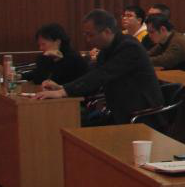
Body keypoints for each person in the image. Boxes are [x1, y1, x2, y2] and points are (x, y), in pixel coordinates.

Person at [34, 9, 163, 124]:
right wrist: (62, 87)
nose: (87, 39)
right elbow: (92, 74)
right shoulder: (107, 49)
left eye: (90, 34)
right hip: (118, 110)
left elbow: (101, 75)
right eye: (85, 34)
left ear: (107, 32)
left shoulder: (129, 47)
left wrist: (62, 92)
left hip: (140, 115)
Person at [21, 23, 88, 86]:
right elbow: (38, 78)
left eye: (43, 44)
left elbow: (60, 82)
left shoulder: (74, 58)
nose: (40, 48)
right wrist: (19, 76)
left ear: (57, 42)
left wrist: (57, 60)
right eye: (39, 45)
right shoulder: (44, 58)